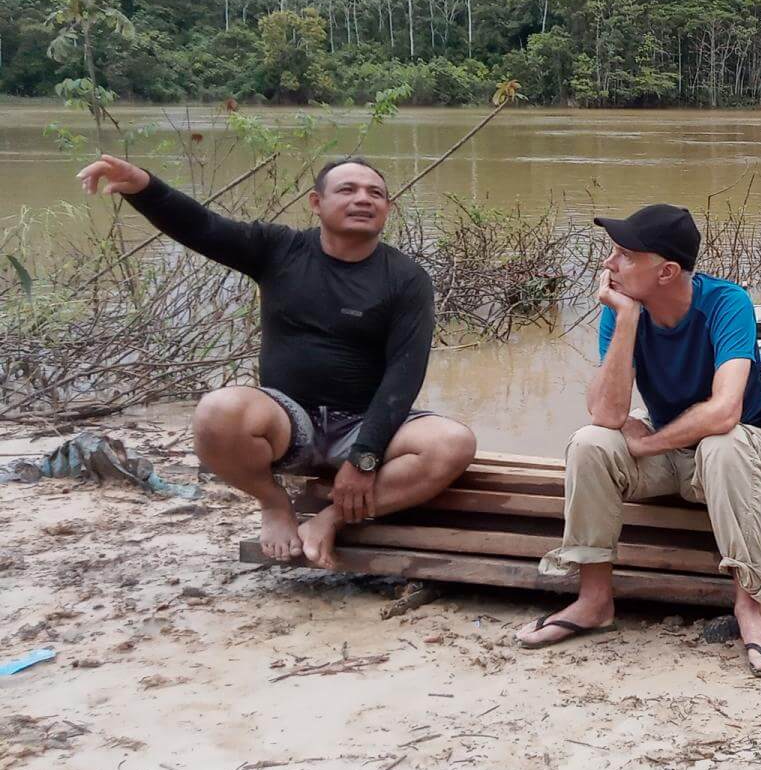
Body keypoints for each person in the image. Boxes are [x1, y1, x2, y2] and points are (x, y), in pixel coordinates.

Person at [76, 153, 476, 569]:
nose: (363, 199)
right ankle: (274, 504)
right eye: (347, 190)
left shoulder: (406, 278)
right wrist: (144, 187)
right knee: (218, 410)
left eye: (375, 193)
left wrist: (365, 456)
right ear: (316, 203)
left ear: (388, 209)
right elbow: (202, 227)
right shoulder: (279, 249)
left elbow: (404, 374)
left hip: (364, 421)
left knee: (452, 443)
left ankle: (329, 520)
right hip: (290, 423)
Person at [515, 204, 761, 678]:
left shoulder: (726, 303)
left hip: (734, 452)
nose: (608, 265)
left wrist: (647, 443)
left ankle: (751, 608)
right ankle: (594, 600)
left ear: (666, 271)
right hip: (670, 454)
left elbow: (726, 410)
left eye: (623, 254)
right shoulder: (625, 307)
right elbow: (605, 414)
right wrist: (625, 322)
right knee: (589, 443)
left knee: (721, 444)